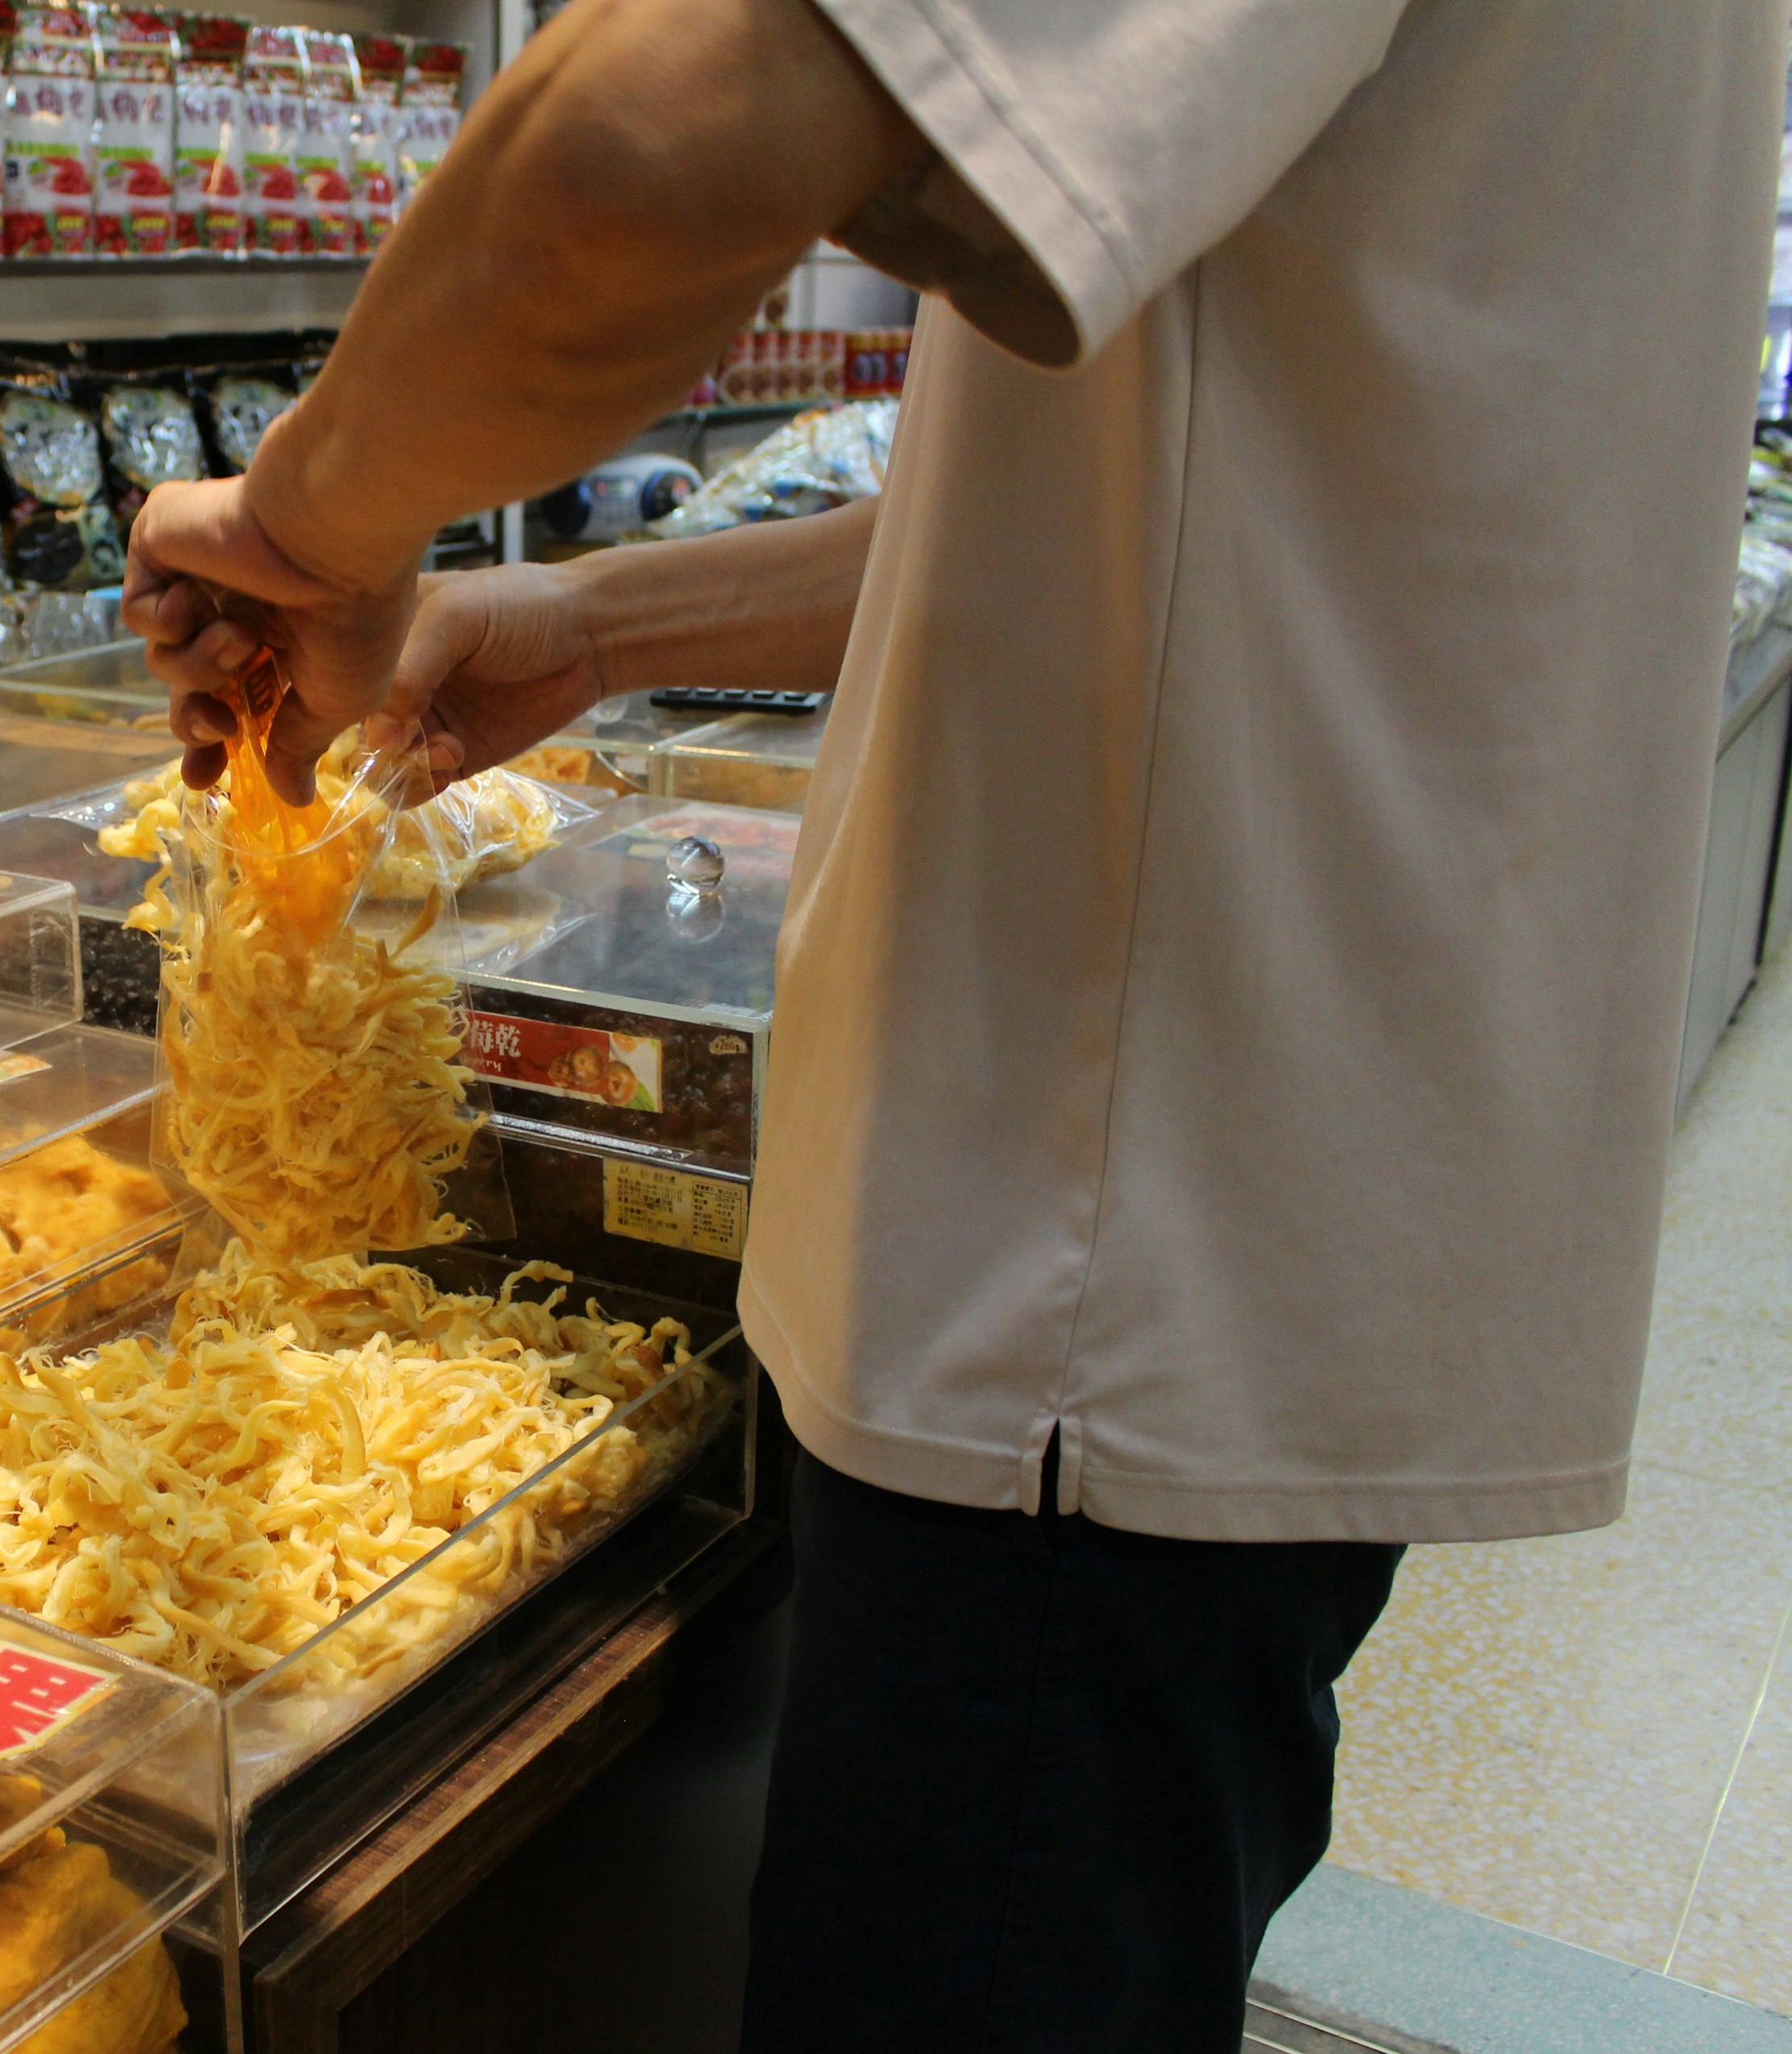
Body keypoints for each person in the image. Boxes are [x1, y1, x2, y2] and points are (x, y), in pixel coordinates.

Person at [122, 0, 1790, 2045]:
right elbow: (1150, 472)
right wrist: (600, 618)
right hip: (1243, 1238)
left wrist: (307, 527)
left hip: (1094, 1293)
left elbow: (643, 145)